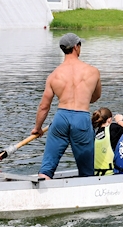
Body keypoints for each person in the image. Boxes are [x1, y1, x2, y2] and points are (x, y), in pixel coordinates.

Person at [33, 33, 102, 179]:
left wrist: (37, 128)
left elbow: (44, 106)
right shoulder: (93, 71)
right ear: (76, 47)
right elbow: (96, 97)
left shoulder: (54, 75)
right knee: (87, 171)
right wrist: (82, 98)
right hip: (81, 118)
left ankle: (43, 182)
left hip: (60, 119)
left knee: (47, 167)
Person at [91, 107, 123, 176]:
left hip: (97, 173)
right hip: (111, 173)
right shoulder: (112, 128)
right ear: (109, 120)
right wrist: (119, 121)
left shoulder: (95, 134)